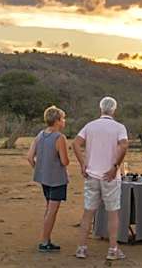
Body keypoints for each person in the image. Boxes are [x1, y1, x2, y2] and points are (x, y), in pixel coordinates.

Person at [73, 96, 129, 261]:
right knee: (112, 213)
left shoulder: (90, 126)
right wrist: (115, 166)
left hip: (91, 174)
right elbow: (124, 145)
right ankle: (112, 249)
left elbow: (75, 143)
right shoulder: (119, 127)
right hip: (110, 177)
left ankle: (81, 248)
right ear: (114, 110)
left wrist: (83, 164)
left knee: (88, 213)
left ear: (100, 108)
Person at [26, 105, 70, 253]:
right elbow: (64, 161)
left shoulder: (40, 135)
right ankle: (44, 242)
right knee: (52, 211)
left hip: (44, 178)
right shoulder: (59, 138)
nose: (64, 121)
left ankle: (47, 239)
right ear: (57, 121)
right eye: (63, 119)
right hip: (57, 180)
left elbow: (29, 157)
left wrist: (40, 168)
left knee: (48, 208)